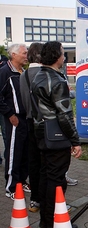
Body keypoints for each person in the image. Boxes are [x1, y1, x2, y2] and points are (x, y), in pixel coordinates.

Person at [30, 41, 82, 228]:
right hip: (55, 134)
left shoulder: (37, 77)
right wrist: (75, 141)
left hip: (40, 132)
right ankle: (55, 223)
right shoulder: (58, 80)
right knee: (56, 178)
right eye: (63, 54)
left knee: (45, 175)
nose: (65, 57)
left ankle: (45, 219)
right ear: (57, 56)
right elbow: (64, 115)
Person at [0, 43, 30, 200]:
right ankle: (10, 187)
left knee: (24, 151)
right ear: (13, 55)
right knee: (13, 152)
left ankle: (21, 181)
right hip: (14, 119)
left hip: (26, 118)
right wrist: (10, 114)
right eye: (24, 53)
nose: (26, 56)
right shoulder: (5, 72)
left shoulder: (23, 72)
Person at [19, 42, 43, 212]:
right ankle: (48, 199)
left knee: (33, 161)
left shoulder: (23, 75)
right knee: (47, 162)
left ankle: (35, 199)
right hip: (44, 122)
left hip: (29, 120)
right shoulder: (45, 74)